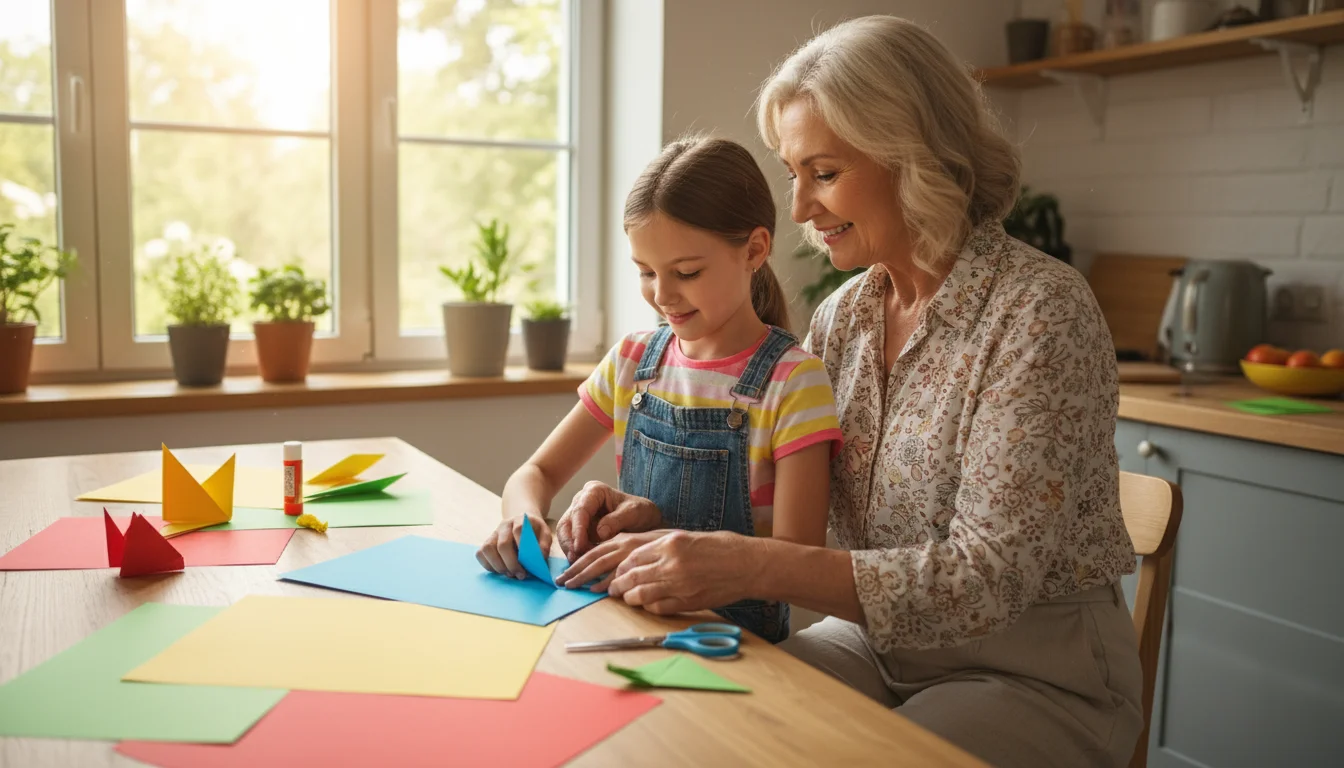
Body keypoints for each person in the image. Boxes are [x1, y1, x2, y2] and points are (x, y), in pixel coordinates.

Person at [553, 16, 1144, 768]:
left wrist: (744, 565)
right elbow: (785, 509)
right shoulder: (846, 316)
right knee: (689, 724)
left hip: (1032, 673)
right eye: (792, 172)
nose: (798, 209)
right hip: (875, 645)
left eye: (823, 173)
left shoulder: (1039, 312)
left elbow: (985, 579)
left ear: (915, 156)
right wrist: (658, 515)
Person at [475, 136, 843, 643]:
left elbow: (799, 565)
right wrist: (524, 520)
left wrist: (662, 535)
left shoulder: (794, 384)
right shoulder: (632, 361)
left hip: (731, 650)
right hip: (622, 625)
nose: (662, 295)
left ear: (755, 250)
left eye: (686, 272)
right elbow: (535, 473)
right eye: (646, 272)